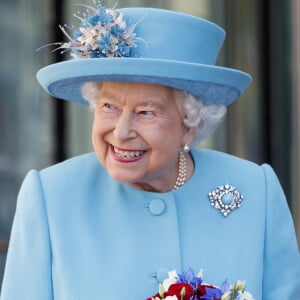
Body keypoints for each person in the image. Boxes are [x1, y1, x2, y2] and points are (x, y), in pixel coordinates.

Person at [1, 3, 300, 300]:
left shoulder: (256, 190)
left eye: (146, 112)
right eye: (109, 106)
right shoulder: (51, 196)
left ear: (190, 123)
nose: (121, 131)